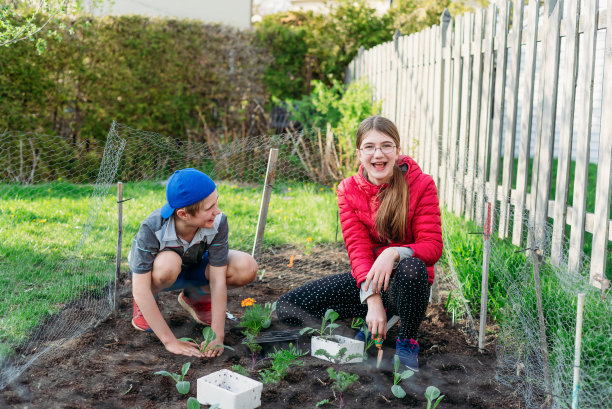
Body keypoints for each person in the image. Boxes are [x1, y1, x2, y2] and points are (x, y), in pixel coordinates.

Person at [277, 116, 442, 371]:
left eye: (386, 146)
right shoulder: (347, 190)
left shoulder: (421, 184)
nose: (378, 154)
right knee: (287, 307)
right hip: (371, 280)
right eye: (369, 147)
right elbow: (358, 251)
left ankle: (407, 341)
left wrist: (393, 253)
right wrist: (373, 300)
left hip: (408, 286)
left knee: (412, 267)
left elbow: (432, 246)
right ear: (359, 153)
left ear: (398, 151)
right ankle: (371, 319)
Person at [128, 168, 257, 358]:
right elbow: (139, 287)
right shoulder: (153, 228)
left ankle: (195, 296)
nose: (218, 210)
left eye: (216, 202)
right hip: (158, 274)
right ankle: (147, 304)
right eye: (209, 208)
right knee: (169, 263)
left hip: (192, 266)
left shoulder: (218, 222)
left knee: (246, 266)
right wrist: (170, 341)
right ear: (183, 214)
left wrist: (217, 335)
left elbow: (218, 279)